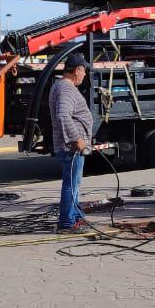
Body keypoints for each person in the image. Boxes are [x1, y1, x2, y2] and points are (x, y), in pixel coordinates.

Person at [49, 52, 93, 234]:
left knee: (74, 184)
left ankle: (75, 217)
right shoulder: (66, 89)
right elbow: (63, 115)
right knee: (71, 185)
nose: (85, 75)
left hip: (70, 147)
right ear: (77, 70)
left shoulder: (61, 86)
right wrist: (76, 139)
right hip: (71, 148)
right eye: (84, 71)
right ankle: (67, 223)